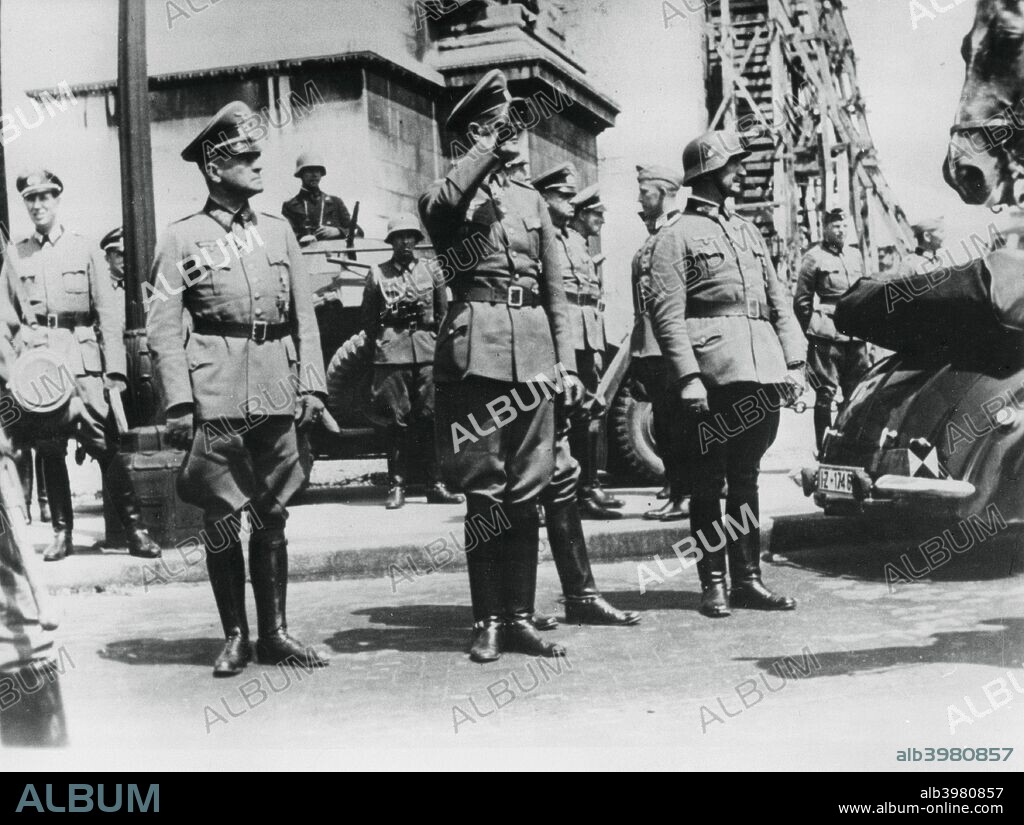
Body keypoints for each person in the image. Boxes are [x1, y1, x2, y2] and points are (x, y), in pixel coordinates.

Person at [147, 101, 330, 677]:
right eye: (244, 158)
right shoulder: (182, 239)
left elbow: (306, 318)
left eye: (256, 155)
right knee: (223, 517)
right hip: (216, 392)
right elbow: (164, 328)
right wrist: (179, 403)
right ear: (213, 168)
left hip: (276, 385)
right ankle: (235, 636)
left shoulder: (278, 230)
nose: (257, 165)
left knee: (272, 513)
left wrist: (313, 387)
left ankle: (274, 633)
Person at [419, 69, 583, 663]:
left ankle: (518, 617)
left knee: (526, 490)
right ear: (470, 135)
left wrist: (565, 364)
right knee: (485, 491)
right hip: (478, 353)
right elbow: (440, 208)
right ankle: (487, 618)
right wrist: (486, 150)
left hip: (535, 354)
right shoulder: (448, 196)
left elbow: (556, 292)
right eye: (493, 124)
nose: (509, 132)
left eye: (508, 122)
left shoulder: (531, 200)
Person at [648, 130, 805, 619]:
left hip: (759, 369)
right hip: (713, 374)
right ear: (709, 170)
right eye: (733, 164)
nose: (740, 171)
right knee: (706, 481)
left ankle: (748, 580)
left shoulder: (748, 230)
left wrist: (795, 361)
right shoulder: (674, 236)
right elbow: (667, 315)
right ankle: (713, 583)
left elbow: (778, 300)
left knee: (746, 478)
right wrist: (688, 377)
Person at [1, 171, 161, 562]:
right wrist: (13, 372)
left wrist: (116, 372)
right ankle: (61, 533)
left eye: (45, 198)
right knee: (49, 448)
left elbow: (108, 314)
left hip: (85, 363)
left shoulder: (85, 249)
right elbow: (6, 317)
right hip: (41, 368)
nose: (38, 206)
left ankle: (135, 529)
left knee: (104, 445)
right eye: (31, 200)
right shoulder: (15, 254)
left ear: (57, 200)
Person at [532, 164, 621, 519]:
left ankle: (583, 491)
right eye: (564, 196)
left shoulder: (575, 241)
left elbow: (588, 299)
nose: (570, 203)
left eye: (573, 197)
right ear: (545, 199)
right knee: (548, 419)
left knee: (584, 414)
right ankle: (541, 497)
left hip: (583, 338)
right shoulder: (542, 238)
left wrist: (595, 346)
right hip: (557, 339)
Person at [359, 213, 464, 509]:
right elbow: (368, 319)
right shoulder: (378, 273)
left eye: (411, 237)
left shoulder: (432, 271)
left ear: (417, 241)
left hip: (427, 351)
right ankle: (397, 485)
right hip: (393, 355)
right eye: (399, 237)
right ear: (391, 241)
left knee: (430, 418)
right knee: (395, 421)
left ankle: (435, 483)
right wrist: (389, 333)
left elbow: (444, 314)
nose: (406, 242)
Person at [630, 164, 690, 522]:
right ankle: (675, 489)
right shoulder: (652, 237)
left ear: (666, 192)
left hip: (670, 345)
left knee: (678, 423)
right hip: (649, 347)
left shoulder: (678, 232)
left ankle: (684, 494)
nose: (640, 198)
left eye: (646, 192)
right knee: (665, 424)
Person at [793, 207, 870, 450]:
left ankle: (848, 446)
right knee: (825, 393)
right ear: (825, 228)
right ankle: (823, 447)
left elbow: (863, 290)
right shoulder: (813, 257)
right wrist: (814, 328)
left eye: (845, 225)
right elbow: (802, 301)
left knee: (856, 392)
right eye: (836, 225)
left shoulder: (855, 256)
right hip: (826, 334)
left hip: (856, 333)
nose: (841, 230)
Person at [281, 152, 358, 246]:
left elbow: (357, 231)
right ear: (301, 174)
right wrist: (303, 239)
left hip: (334, 258)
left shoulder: (335, 202)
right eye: (310, 171)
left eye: (317, 171)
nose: (314, 175)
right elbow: (285, 237)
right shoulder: (290, 206)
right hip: (306, 257)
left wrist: (338, 231)